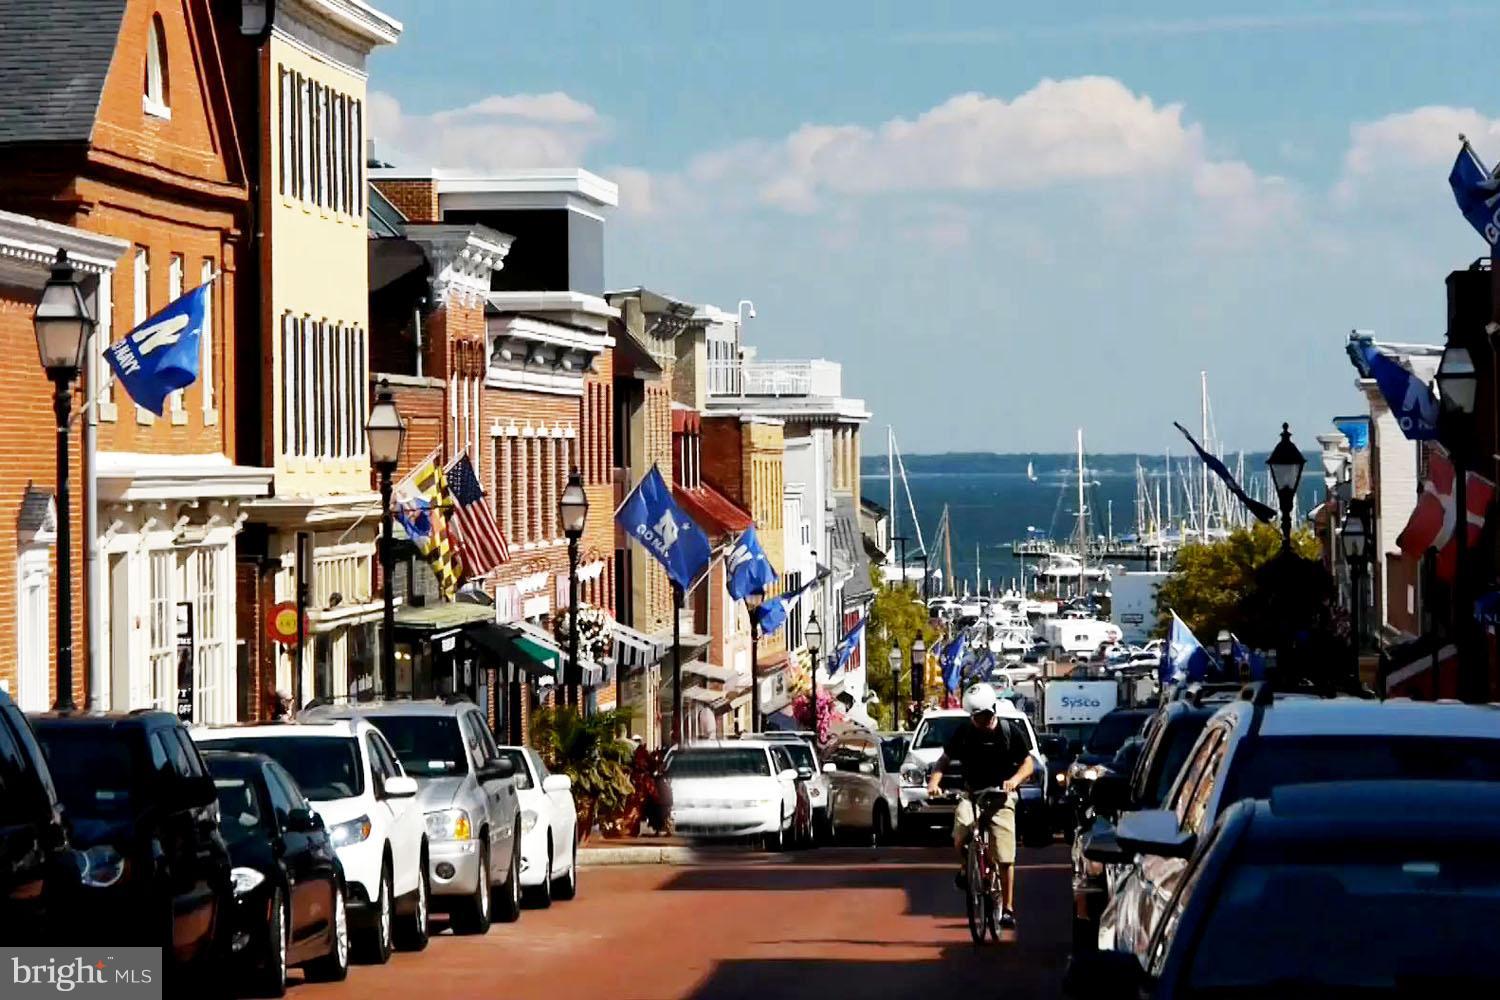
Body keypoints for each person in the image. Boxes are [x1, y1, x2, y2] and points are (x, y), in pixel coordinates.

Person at [925, 682, 1034, 930]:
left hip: (1000, 797)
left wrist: (1014, 780)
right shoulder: (964, 732)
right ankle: (967, 867)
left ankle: (1008, 909)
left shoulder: (1008, 732)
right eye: (975, 717)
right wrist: (934, 782)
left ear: (993, 710)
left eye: (984, 715)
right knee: (960, 833)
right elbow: (944, 760)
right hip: (971, 794)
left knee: (1005, 855)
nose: (980, 721)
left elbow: (1027, 763)